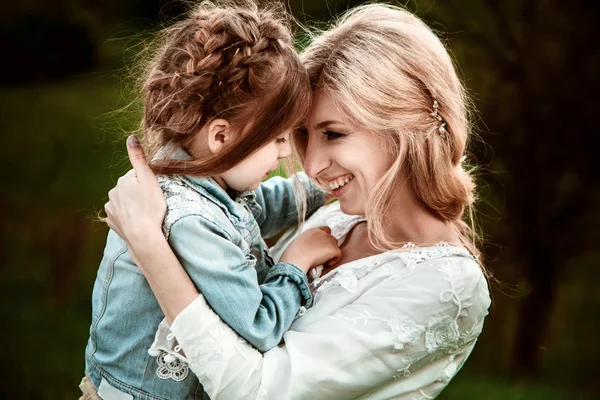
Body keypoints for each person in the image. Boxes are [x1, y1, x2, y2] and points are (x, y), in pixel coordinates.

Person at [105, 3, 492, 399]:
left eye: (334, 133)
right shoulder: (336, 216)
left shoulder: (446, 286)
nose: (309, 164)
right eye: (303, 134)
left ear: (405, 127)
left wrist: (150, 245)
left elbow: (255, 390)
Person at [82, 2, 342, 399]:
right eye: (276, 139)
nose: (286, 153)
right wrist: (296, 261)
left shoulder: (204, 176)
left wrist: (326, 183)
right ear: (221, 137)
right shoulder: (190, 220)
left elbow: (265, 205)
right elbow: (258, 325)